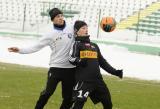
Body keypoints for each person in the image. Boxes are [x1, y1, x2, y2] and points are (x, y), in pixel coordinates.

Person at [8, 8, 76, 109]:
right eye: (57, 16)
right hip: (56, 67)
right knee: (47, 93)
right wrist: (20, 50)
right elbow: (35, 47)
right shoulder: (49, 34)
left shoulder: (72, 28)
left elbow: (83, 34)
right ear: (52, 19)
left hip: (70, 69)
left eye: (61, 15)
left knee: (69, 97)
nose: (61, 18)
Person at [69, 20, 123, 109]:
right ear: (76, 31)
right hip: (84, 82)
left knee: (108, 104)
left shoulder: (94, 45)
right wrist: (80, 61)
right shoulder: (76, 44)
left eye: (86, 28)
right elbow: (71, 58)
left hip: (98, 81)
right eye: (83, 28)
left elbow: (102, 62)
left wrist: (115, 72)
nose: (86, 30)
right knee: (78, 105)